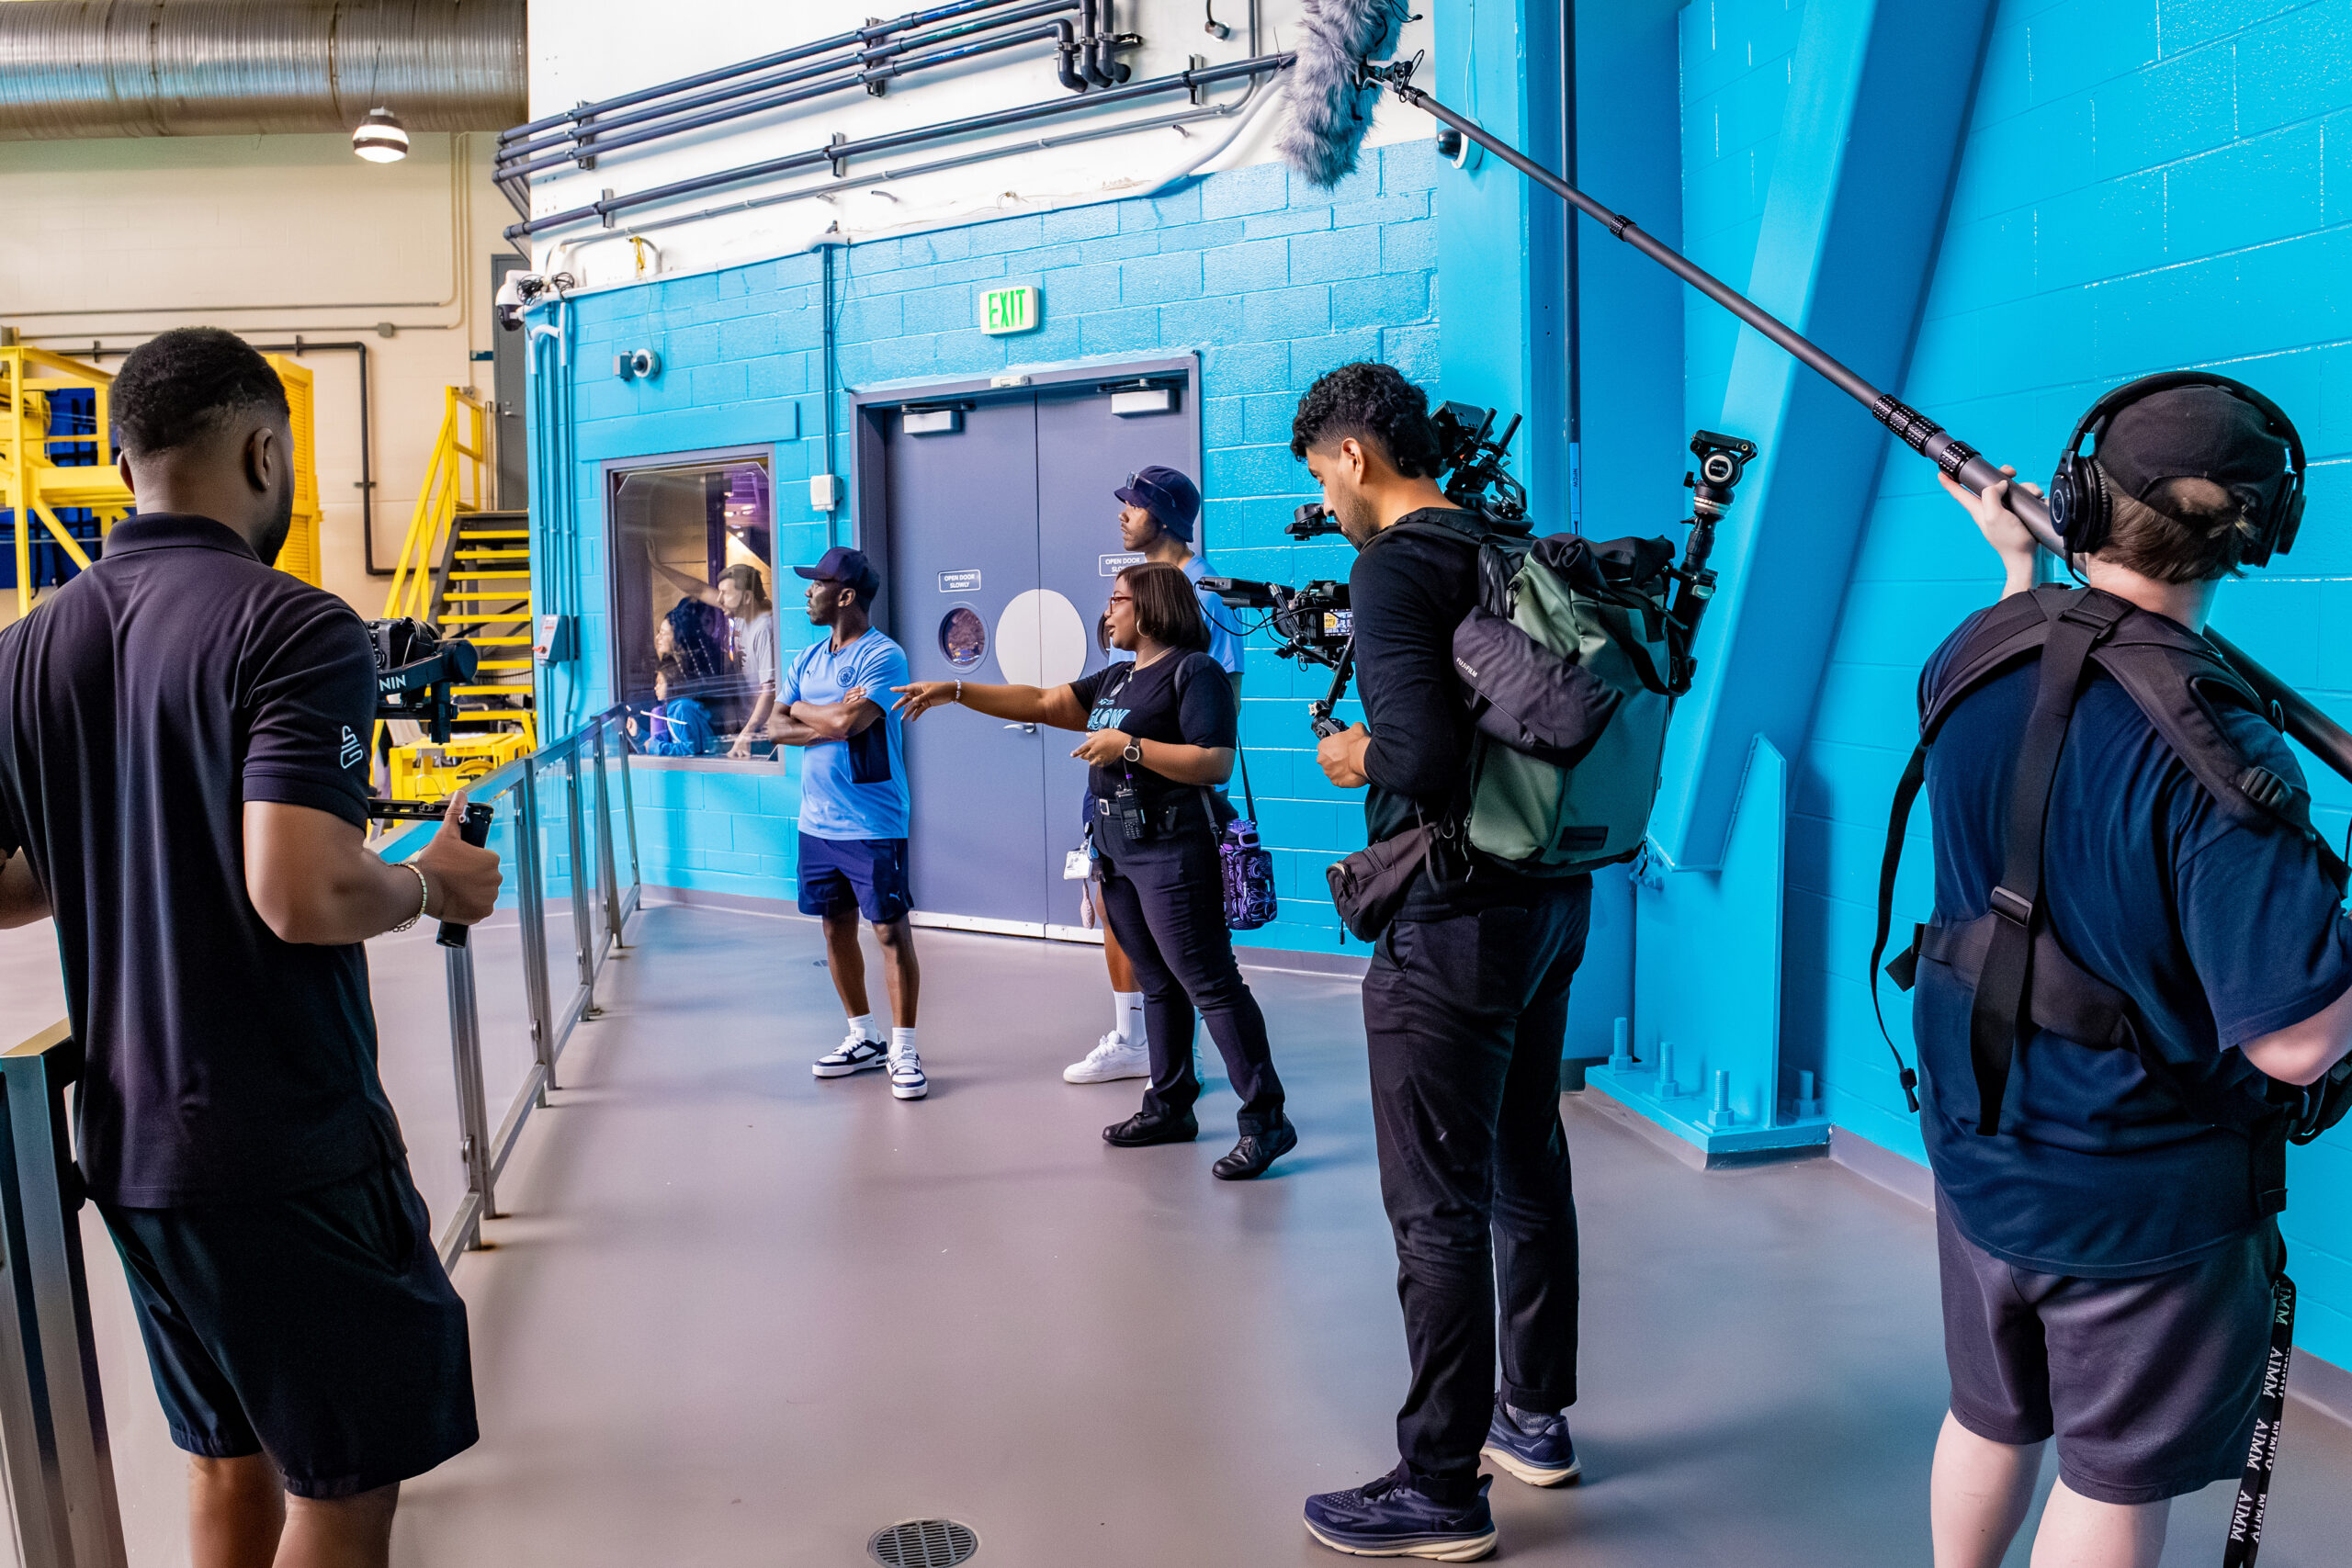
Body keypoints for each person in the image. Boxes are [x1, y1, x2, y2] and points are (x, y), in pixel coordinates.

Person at [0, 326, 503, 1568]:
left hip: (130, 1149)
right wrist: (428, 880)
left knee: (228, 1460)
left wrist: (124, 850)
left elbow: (9, 882)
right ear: (264, 449)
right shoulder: (293, 625)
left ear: (124, 466)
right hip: (278, 1142)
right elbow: (300, 888)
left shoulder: (27, 647)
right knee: (341, 1490)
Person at [1918, 381, 2352, 1568]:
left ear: (2077, 496)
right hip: (2129, 1198)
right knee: (2109, 1472)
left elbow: (2043, 703)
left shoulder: (1973, 651)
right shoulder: (2227, 757)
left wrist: (2018, 568)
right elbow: (2301, 1043)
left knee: (1990, 1408)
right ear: (2256, 535)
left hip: (1978, 1141)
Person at [1291, 363, 1587, 1561]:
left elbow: (1417, 750)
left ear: (1354, 456)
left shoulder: (1393, 565)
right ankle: (1533, 1417)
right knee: (1527, 1160)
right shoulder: (1504, 544)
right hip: (1548, 903)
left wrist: (1357, 750)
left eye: (1322, 473)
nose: (1330, 497)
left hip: (1451, 916)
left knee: (1435, 1205)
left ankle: (1437, 1484)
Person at [895, 562, 1295, 1179]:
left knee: (1211, 984)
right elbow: (1040, 699)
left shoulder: (1196, 672)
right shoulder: (1115, 678)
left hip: (1173, 853)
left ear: (1153, 607)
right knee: (1157, 984)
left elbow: (1213, 761)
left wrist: (1130, 748)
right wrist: (954, 690)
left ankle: (1267, 1119)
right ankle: (1170, 1104)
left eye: (1118, 600)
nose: (1108, 611)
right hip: (1118, 852)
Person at [1065, 464, 1250, 1087]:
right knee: (1128, 930)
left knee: (1194, 961)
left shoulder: (1204, 595)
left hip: (1170, 803)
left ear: (1163, 516)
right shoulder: (1138, 586)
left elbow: (1218, 707)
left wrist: (1152, 760)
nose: (1122, 514)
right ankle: (1137, 1041)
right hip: (1118, 791)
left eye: (1134, 505)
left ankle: (1223, 1083)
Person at [769, 547, 926, 1100]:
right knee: (834, 926)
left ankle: (904, 1049)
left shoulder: (885, 658)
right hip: (816, 822)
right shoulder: (809, 658)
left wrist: (812, 714)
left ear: (846, 595)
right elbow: (774, 724)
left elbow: (849, 721)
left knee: (888, 930)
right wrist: (827, 715)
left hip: (872, 821)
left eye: (816, 586)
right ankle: (864, 1038)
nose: (806, 593)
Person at [649, 551, 777, 758]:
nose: (719, 599)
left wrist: (747, 733)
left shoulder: (764, 627)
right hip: (748, 726)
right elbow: (699, 589)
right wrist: (660, 567)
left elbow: (769, 691)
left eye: (725, 593)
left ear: (746, 597)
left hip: (763, 731)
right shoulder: (742, 614)